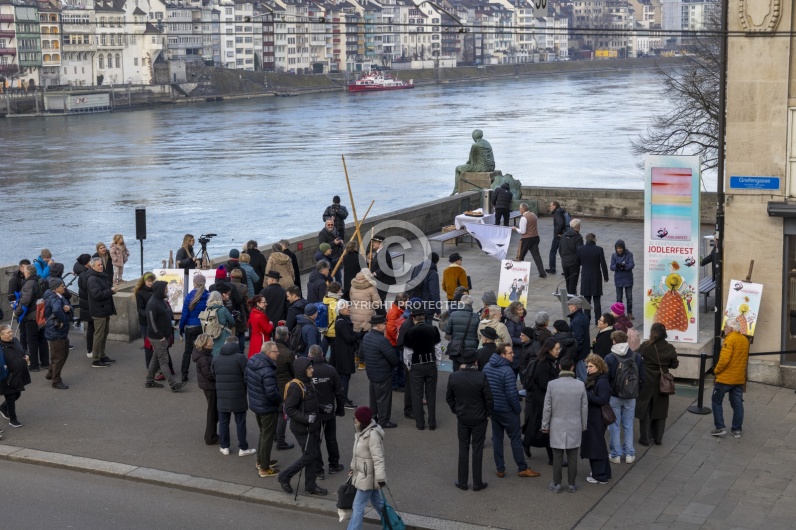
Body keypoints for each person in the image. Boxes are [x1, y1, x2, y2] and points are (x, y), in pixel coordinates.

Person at [483, 343, 540, 478]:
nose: (513, 354)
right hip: (507, 411)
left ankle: (500, 469)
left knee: (497, 438)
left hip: (494, 409)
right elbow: (512, 394)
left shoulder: (486, 367)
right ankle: (522, 467)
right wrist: (517, 409)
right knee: (515, 438)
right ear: (502, 355)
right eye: (510, 353)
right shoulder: (507, 371)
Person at [278, 357, 328, 496]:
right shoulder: (296, 386)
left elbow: (309, 404)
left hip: (310, 426)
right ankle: (284, 476)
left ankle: (310, 485)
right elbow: (289, 408)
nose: (312, 369)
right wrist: (306, 418)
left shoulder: (308, 383)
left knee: (312, 455)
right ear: (302, 370)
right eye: (309, 368)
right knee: (309, 456)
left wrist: (323, 408)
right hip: (302, 428)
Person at [446, 348, 493, 491]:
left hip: (463, 417)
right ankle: (477, 482)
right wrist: (486, 413)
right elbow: (489, 399)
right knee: (477, 449)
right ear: (475, 362)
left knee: (463, 447)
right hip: (479, 418)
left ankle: (462, 481)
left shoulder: (454, 376)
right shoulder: (481, 377)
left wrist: (456, 410)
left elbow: (449, 398)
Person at [542, 356, 587, 493]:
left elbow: (547, 407)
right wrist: (584, 425)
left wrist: (545, 425)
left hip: (557, 425)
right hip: (574, 425)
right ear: (573, 367)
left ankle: (557, 484)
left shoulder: (552, 385)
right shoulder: (580, 385)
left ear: (559, 367)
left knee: (557, 456)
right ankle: (572, 484)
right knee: (573, 456)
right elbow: (584, 407)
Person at [636, 323, 679, 446]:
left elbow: (636, 358)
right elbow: (675, 364)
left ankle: (645, 438)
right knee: (660, 411)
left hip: (647, 381)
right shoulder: (669, 347)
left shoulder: (646, 346)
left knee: (646, 410)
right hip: (662, 383)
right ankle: (658, 438)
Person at [605, 330, 644, 464]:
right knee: (628, 425)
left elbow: (606, 378)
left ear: (614, 341)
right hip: (631, 396)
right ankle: (629, 454)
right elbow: (642, 378)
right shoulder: (636, 356)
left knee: (614, 425)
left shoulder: (610, 357)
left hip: (614, 396)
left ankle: (615, 454)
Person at [308, 345, 346, 479]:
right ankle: (334, 464)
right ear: (322, 354)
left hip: (313, 411)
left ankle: (319, 471)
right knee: (331, 438)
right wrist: (340, 409)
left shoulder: (308, 371)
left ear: (310, 356)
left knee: (315, 440)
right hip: (329, 410)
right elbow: (339, 392)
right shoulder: (330, 370)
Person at [246, 340, 282, 477]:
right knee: (267, 435)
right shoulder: (268, 370)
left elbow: (246, 379)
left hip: (256, 404)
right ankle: (264, 468)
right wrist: (281, 400)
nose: (278, 353)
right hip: (267, 407)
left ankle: (261, 461)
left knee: (263, 433)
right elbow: (272, 393)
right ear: (268, 353)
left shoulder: (252, 361)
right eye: (276, 351)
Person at [347, 406, 386, 530]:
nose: (354, 420)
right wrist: (352, 468)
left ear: (362, 420)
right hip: (364, 474)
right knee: (379, 504)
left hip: (367, 477)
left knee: (357, 506)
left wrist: (380, 478)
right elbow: (356, 455)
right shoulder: (360, 432)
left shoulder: (372, 435)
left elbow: (378, 458)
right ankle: (392, 524)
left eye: (356, 418)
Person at [212, 342, 255, 456]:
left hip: (222, 395)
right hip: (238, 395)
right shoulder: (241, 357)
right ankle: (243, 448)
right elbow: (247, 375)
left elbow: (213, 374)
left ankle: (224, 446)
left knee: (223, 422)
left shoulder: (216, 358)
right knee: (240, 422)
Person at [523, 338, 561, 464]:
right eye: (556, 349)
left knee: (542, 428)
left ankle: (550, 457)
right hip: (542, 401)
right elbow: (545, 384)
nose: (558, 351)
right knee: (543, 428)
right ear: (549, 350)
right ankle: (527, 443)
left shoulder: (550, 362)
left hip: (543, 400)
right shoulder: (543, 364)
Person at [403, 307, 441, 430]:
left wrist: (409, 366)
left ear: (413, 318)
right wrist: (437, 363)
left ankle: (420, 423)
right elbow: (438, 349)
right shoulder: (433, 329)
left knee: (416, 395)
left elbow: (407, 353)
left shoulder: (409, 332)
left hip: (416, 367)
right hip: (430, 365)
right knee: (431, 394)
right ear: (423, 317)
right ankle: (432, 423)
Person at [145, 281, 187, 392]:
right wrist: (160, 336)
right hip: (158, 338)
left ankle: (149, 380)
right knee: (163, 360)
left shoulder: (161, 301)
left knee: (156, 358)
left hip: (164, 336)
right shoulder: (152, 304)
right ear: (160, 290)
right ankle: (173, 384)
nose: (167, 290)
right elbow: (151, 322)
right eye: (165, 289)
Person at [711, 318, 749, 438]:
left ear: (731, 328)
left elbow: (724, 360)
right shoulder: (744, 340)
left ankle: (720, 427)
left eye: (726, 327)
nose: (724, 329)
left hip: (725, 379)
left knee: (716, 401)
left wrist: (716, 370)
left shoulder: (730, 339)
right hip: (738, 379)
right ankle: (736, 429)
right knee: (737, 404)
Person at [362, 315, 399, 428]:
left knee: (373, 397)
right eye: (384, 324)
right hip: (383, 373)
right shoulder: (382, 340)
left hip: (372, 372)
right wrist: (396, 366)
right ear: (378, 326)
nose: (385, 325)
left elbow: (362, 353)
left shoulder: (367, 336)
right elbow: (393, 358)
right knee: (384, 398)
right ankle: (384, 420)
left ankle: (373, 417)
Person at [582, 354, 612, 485]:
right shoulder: (595, 379)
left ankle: (599, 475)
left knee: (595, 445)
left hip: (596, 417)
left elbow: (603, 400)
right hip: (593, 417)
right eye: (587, 366)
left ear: (598, 367)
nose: (588, 369)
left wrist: (588, 395)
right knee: (598, 444)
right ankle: (604, 471)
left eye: (591, 366)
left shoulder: (602, 381)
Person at [13, 264, 49, 372]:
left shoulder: (28, 284)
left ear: (28, 273)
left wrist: (17, 313)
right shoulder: (42, 281)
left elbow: (25, 301)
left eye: (24, 271)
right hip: (42, 313)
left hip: (32, 315)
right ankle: (45, 362)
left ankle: (34, 365)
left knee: (32, 340)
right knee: (42, 338)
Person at [86, 257, 117, 368]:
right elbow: (97, 295)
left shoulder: (100, 275)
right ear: (93, 266)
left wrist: (111, 287)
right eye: (98, 265)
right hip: (99, 310)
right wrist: (110, 291)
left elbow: (105, 288)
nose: (101, 266)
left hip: (105, 309)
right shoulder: (92, 279)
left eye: (101, 264)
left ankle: (102, 355)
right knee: (99, 335)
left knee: (105, 333)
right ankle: (95, 359)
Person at [0, 324, 31, 428]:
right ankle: (13, 420)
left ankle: (3, 407)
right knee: (10, 397)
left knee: (17, 394)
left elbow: (23, 348)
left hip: (19, 374)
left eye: (11, 331)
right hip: (7, 377)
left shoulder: (15, 340)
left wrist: (27, 355)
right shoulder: (1, 347)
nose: (11, 334)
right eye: (8, 333)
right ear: (1, 335)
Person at [43, 277, 72, 390]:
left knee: (61, 354)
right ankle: (56, 380)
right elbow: (56, 310)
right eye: (62, 286)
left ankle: (51, 373)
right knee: (59, 357)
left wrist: (68, 308)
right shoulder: (55, 298)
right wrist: (65, 321)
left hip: (57, 331)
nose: (64, 287)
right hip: (56, 331)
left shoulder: (57, 296)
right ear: (55, 288)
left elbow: (66, 307)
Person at [180, 273, 209, 382]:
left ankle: (184, 374)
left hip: (191, 326)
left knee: (187, 351)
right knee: (203, 351)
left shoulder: (189, 296)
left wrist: (181, 327)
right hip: (203, 327)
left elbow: (185, 315)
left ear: (194, 283)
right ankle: (204, 374)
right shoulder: (208, 295)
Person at [191, 333, 219, 445]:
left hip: (207, 386)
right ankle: (210, 436)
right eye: (210, 341)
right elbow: (209, 374)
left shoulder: (201, 355)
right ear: (205, 344)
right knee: (212, 412)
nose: (212, 343)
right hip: (210, 387)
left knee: (212, 411)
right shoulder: (204, 358)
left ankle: (210, 435)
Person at [576, 233, 609, 325]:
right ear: (594, 239)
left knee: (586, 300)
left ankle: (587, 319)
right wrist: (606, 276)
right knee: (597, 300)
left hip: (585, 276)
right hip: (596, 276)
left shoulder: (580, 249)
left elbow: (577, 263)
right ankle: (598, 320)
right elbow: (603, 264)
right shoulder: (599, 249)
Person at [330, 300, 358, 408]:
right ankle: (343, 400)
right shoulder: (342, 322)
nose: (349, 309)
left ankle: (342, 399)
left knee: (343, 377)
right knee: (345, 377)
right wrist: (357, 336)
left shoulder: (341, 320)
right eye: (347, 308)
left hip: (342, 353)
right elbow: (349, 339)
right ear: (341, 309)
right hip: (344, 354)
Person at [452, 129, 496, 195]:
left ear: (474, 137)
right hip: (492, 166)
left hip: (483, 167)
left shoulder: (475, 145)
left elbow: (471, 161)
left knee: (457, 168)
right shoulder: (487, 142)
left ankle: (456, 188)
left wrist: (466, 166)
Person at [273, 326, 296, 451]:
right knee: (283, 413)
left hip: (272, 384)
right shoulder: (288, 353)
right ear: (286, 336)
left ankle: (275, 436)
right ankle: (280, 441)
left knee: (275, 412)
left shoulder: (270, 349)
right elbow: (294, 370)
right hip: (285, 386)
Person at [444, 295, 480, 372]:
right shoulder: (475, 317)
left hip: (456, 349)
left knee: (456, 370)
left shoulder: (453, 315)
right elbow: (478, 334)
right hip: (470, 349)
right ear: (471, 304)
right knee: (470, 371)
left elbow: (447, 331)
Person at [513, 202, 546, 277]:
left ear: (522, 209)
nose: (519, 210)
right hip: (535, 237)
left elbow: (523, 231)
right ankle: (542, 273)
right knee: (536, 256)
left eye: (519, 208)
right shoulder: (533, 215)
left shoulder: (524, 218)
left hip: (527, 239)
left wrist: (516, 229)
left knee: (520, 255)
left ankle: (518, 273)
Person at [386, 292, 409, 391]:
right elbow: (391, 330)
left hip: (396, 342)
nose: (408, 302)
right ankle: (394, 385)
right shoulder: (394, 312)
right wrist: (399, 340)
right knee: (396, 365)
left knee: (399, 365)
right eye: (407, 301)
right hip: (394, 343)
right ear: (402, 302)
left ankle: (400, 382)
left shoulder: (398, 309)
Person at [349, 271, 381, 338]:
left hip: (354, 313)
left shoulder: (352, 287)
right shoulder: (371, 288)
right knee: (366, 336)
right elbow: (377, 303)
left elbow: (351, 299)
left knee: (356, 335)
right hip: (367, 316)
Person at [610, 239, 635, 320]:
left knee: (629, 298)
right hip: (618, 279)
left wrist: (625, 266)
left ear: (623, 248)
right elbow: (611, 267)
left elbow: (632, 264)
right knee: (619, 298)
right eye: (617, 248)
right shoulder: (614, 256)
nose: (619, 250)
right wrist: (617, 266)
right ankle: (619, 314)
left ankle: (629, 313)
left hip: (628, 278)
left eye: (620, 248)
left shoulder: (629, 254)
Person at [73, 254, 93, 356]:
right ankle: (90, 350)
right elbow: (88, 289)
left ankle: (90, 349)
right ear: (86, 263)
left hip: (85, 304)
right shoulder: (85, 275)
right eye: (90, 260)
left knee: (91, 327)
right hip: (88, 304)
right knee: (91, 327)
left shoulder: (82, 272)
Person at [567, 297, 590, 381]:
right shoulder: (582, 316)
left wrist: (575, 354)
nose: (568, 306)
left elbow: (578, 339)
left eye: (569, 305)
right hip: (583, 352)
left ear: (574, 307)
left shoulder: (577, 320)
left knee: (582, 377)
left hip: (580, 355)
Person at [205, 291, 235, 356]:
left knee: (213, 352)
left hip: (210, 333)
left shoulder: (207, 309)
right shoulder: (223, 309)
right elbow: (232, 321)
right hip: (222, 333)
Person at [560, 219, 584, 296]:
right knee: (573, 283)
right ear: (577, 227)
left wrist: (563, 258)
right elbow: (580, 251)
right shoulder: (578, 237)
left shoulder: (564, 235)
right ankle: (572, 300)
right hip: (574, 263)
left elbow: (560, 249)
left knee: (568, 281)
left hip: (564, 262)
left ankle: (569, 297)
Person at [368, 236, 394, 303]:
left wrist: (374, 273)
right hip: (380, 280)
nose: (372, 244)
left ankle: (382, 313)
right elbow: (377, 264)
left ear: (380, 243)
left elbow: (385, 267)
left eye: (375, 242)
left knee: (380, 300)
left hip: (383, 280)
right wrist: (370, 261)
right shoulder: (379, 252)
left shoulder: (383, 253)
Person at [546, 201, 568, 275]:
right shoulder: (562, 211)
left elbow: (560, 223)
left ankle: (552, 269)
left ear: (555, 206)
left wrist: (558, 233)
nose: (550, 207)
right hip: (564, 234)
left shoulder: (557, 213)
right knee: (563, 253)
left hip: (558, 236)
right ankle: (566, 270)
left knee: (553, 251)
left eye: (551, 206)